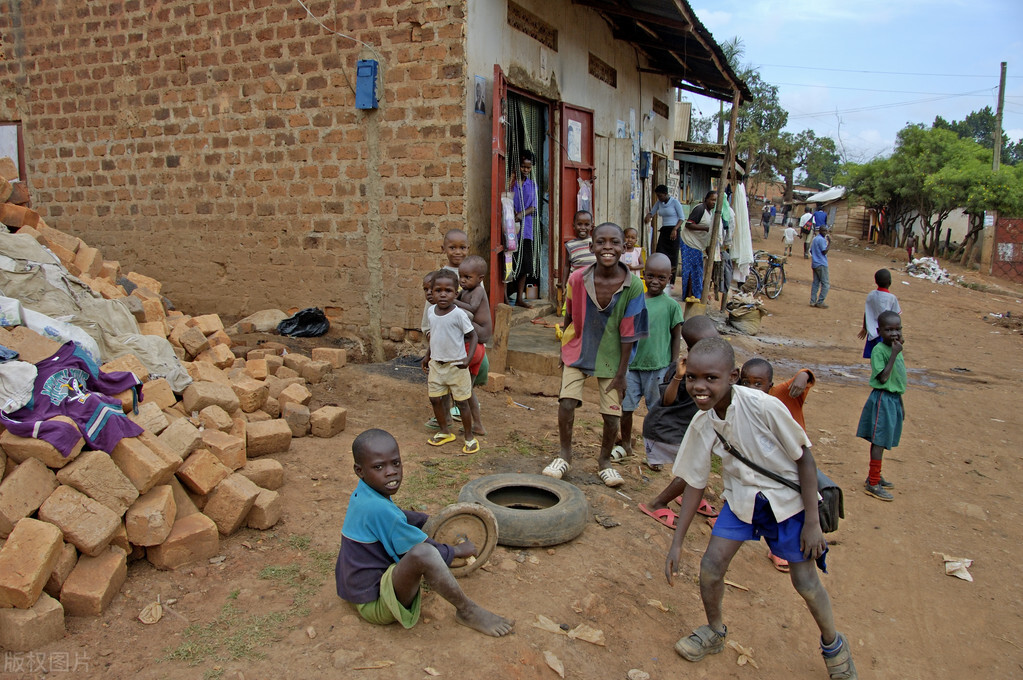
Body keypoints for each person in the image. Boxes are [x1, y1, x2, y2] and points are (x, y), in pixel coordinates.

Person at [665, 338, 857, 680]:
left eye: (711, 378)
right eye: (692, 377)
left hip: (788, 503)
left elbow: (804, 459)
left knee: (805, 582)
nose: (699, 387)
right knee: (710, 567)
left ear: (733, 377)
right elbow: (695, 482)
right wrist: (677, 541)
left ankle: (834, 645)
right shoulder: (703, 421)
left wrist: (812, 521)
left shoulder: (764, 407)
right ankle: (714, 631)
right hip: (742, 501)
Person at [335, 429, 514, 636]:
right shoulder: (379, 509)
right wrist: (456, 551)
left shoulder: (364, 494)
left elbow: (398, 515)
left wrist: (429, 519)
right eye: (379, 467)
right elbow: (420, 548)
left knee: (420, 543)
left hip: (355, 588)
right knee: (424, 554)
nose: (391, 471)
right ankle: (467, 611)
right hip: (374, 603)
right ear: (360, 470)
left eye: (396, 463)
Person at [542, 222, 648, 488]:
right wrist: (563, 348)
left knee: (612, 415)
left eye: (614, 242)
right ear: (591, 247)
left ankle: (605, 462)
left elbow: (629, 334)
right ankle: (564, 455)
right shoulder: (577, 278)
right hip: (578, 349)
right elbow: (568, 312)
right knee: (566, 403)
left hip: (612, 357)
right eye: (601, 242)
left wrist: (622, 374)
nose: (607, 248)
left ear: (625, 247)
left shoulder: (633, 286)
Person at [637, 315, 720, 525]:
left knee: (702, 458)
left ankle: (690, 496)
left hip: (686, 429)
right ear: (692, 347)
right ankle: (657, 503)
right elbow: (667, 400)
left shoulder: (714, 367)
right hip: (665, 429)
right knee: (694, 467)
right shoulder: (682, 367)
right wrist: (679, 376)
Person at [739, 358, 816, 573]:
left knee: (787, 508)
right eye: (746, 383)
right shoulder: (740, 403)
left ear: (770, 386)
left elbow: (804, 377)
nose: (752, 389)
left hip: (790, 465)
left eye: (758, 384)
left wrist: (803, 375)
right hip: (761, 467)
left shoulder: (779, 396)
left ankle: (781, 549)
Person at [617, 254, 682, 459]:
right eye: (651, 276)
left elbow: (676, 336)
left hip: (658, 368)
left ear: (669, 279)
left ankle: (654, 453)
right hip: (631, 366)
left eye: (661, 278)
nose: (655, 281)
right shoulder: (635, 301)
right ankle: (626, 444)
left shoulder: (672, 306)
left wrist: (672, 365)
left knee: (655, 412)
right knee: (626, 408)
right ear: (643, 275)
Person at [421, 270, 479, 453]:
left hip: (456, 366)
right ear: (432, 291)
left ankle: (469, 436)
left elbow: (473, 336)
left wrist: (467, 360)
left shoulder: (459, 314)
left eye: (448, 290)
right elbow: (435, 337)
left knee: (462, 402)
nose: (443, 294)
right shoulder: (431, 312)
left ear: (456, 293)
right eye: (438, 290)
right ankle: (445, 431)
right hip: (437, 365)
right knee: (435, 399)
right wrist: (427, 355)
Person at [856, 311, 905, 502]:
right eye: (888, 329)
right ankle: (873, 482)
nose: (894, 333)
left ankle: (875, 475)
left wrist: (900, 403)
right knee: (878, 440)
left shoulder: (896, 347)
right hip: (882, 398)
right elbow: (883, 377)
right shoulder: (880, 350)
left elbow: (896, 379)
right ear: (878, 331)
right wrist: (893, 354)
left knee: (884, 439)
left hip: (893, 398)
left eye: (897, 329)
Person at [454, 255, 492, 437]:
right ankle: (478, 425)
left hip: (481, 333)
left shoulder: (477, 291)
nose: (462, 280)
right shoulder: (464, 290)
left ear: (480, 279)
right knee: (467, 391)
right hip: (476, 344)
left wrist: (451, 300)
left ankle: (448, 422)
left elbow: (471, 309)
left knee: (463, 390)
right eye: (460, 276)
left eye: (467, 277)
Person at [510, 150, 540, 308]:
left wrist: (521, 214)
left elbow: (534, 207)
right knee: (509, 263)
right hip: (509, 228)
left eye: (528, 168)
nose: (525, 170)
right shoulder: (511, 183)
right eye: (523, 167)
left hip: (526, 229)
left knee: (524, 265)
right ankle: (504, 296)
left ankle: (520, 298)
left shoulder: (532, 185)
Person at [644, 184, 686, 287]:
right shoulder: (659, 203)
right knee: (660, 253)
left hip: (674, 230)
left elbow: (681, 218)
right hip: (664, 230)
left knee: (673, 255)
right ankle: (659, 276)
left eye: (660, 196)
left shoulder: (675, 202)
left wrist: (675, 229)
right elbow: (652, 212)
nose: (659, 198)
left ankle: (671, 281)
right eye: (658, 196)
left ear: (666, 194)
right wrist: (648, 216)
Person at [678, 190, 715, 300]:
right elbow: (689, 224)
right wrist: (706, 228)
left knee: (697, 270)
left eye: (715, 200)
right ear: (706, 199)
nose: (713, 202)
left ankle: (694, 294)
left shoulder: (710, 212)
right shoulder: (700, 209)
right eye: (712, 199)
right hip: (689, 242)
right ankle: (689, 295)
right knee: (691, 269)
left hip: (698, 244)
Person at [857, 269, 901, 360]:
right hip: (886, 334)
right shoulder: (892, 298)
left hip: (872, 332)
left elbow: (867, 312)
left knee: (874, 356)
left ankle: (875, 372)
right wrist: (898, 334)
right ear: (890, 281)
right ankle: (883, 373)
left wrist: (865, 328)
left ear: (876, 281)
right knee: (885, 356)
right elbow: (896, 317)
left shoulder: (871, 295)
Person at [559, 210, 596, 291]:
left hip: (594, 283)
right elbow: (567, 266)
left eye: (586, 224)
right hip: (575, 283)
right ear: (574, 226)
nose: (583, 228)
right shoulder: (570, 245)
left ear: (591, 226)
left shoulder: (596, 243)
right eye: (579, 224)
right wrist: (563, 283)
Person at [810, 225, 831, 308]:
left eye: (826, 231)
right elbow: (824, 251)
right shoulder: (822, 240)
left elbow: (811, 251)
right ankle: (820, 301)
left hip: (815, 263)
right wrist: (829, 243)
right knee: (826, 284)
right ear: (820, 231)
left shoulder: (815, 239)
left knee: (815, 283)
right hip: (821, 263)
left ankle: (812, 301)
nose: (825, 233)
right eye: (824, 231)